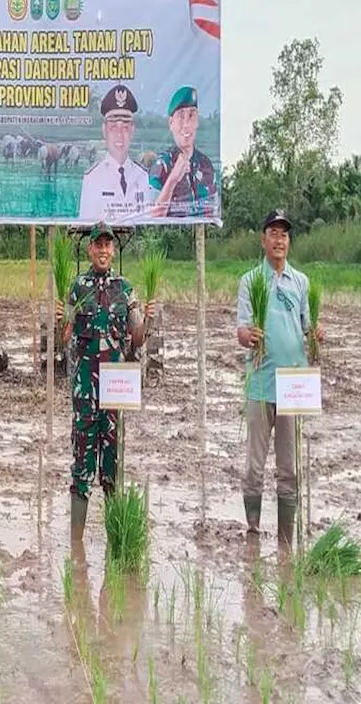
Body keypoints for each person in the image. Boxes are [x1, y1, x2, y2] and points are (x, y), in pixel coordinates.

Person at [55, 222, 152, 542]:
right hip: (85, 386)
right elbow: (63, 339)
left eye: (108, 245)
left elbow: (136, 340)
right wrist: (61, 324)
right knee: (82, 456)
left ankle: (115, 537)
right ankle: (76, 544)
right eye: (98, 244)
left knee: (112, 460)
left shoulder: (125, 289)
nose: (103, 250)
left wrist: (146, 319)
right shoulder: (77, 287)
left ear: (113, 249)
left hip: (115, 386)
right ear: (90, 249)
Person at [235, 209, 323, 544]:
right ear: (263, 239)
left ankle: (287, 538)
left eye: (284, 234)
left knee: (289, 466)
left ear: (289, 240)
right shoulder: (250, 281)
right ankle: (254, 531)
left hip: (293, 386)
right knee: (254, 465)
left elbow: (307, 326)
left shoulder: (300, 282)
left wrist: (317, 336)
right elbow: (241, 330)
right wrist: (248, 337)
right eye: (273, 232)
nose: (279, 239)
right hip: (260, 383)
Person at [77, 84, 151, 223]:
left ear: (132, 130)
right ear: (104, 131)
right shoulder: (92, 178)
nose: (119, 135)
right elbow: (85, 228)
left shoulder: (142, 176)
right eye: (113, 128)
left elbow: (147, 227)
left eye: (125, 128)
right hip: (105, 244)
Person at [149, 85, 218, 219]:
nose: (186, 124)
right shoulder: (161, 165)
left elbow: (213, 211)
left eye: (191, 115)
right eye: (181, 116)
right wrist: (172, 180)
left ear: (197, 121)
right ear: (171, 123)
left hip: (199, 235)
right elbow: (151, 216)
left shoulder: (206, 165)